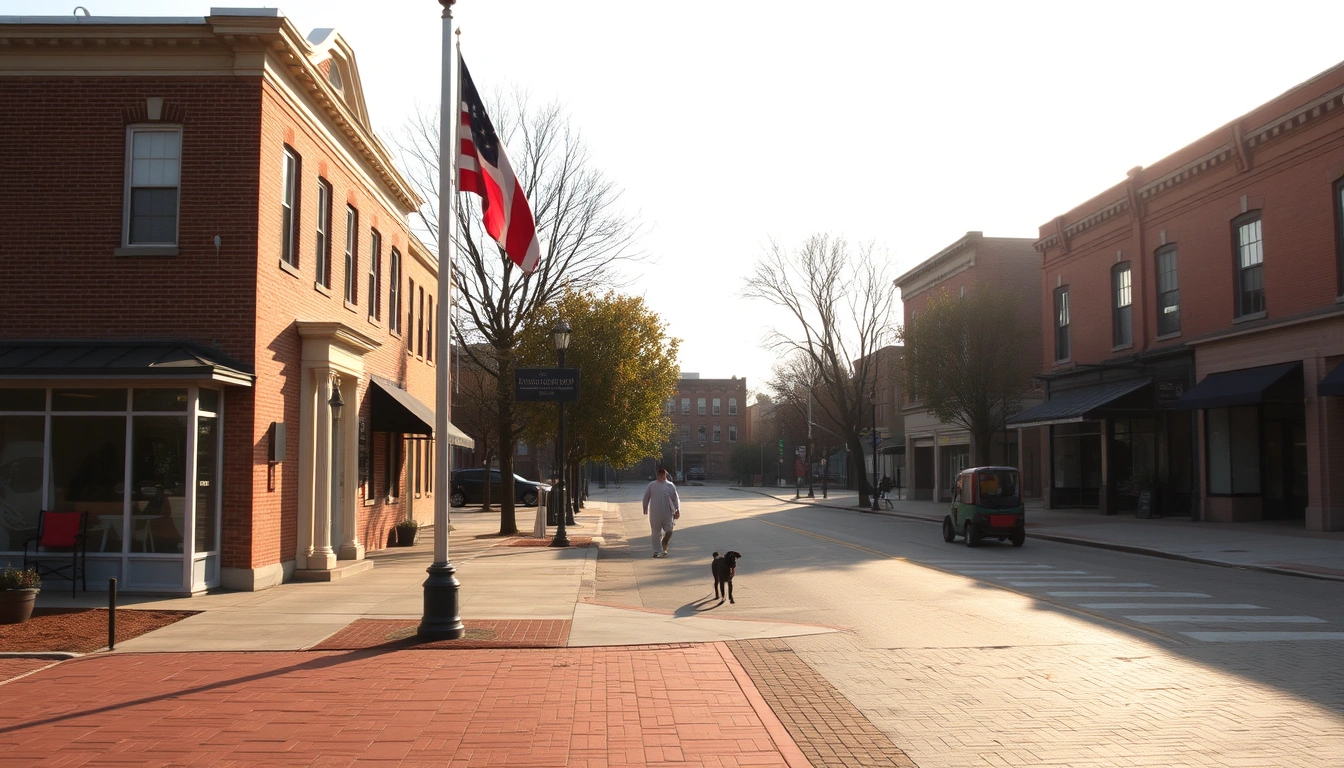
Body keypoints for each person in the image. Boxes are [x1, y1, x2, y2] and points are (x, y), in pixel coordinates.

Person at [642, 465, 680, 558]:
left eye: (662, 476)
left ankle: (665, 542)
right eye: (659, 476)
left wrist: (677, 510)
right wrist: (645, 507)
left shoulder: (670, 485)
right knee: (655, 531)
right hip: (655, 513)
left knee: (669, 530)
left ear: (665, 476)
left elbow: (675, 499)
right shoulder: (652, 485)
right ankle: (657, 551)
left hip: (667, 512)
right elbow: (646, 497)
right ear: (657, 476)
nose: (660, 478)